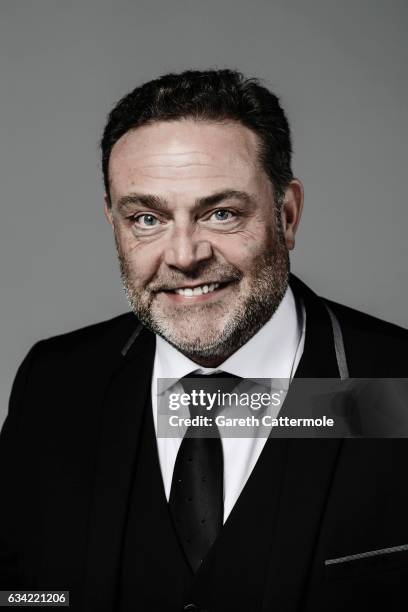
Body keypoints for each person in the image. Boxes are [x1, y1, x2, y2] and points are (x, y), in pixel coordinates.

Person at [1, 69, 408, 612]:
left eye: (221, 213)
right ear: (113, 223)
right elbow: (23, 593)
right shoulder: (54, 384)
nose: (185, 255)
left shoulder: (396, 386)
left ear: (286, 216)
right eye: (147, 218)